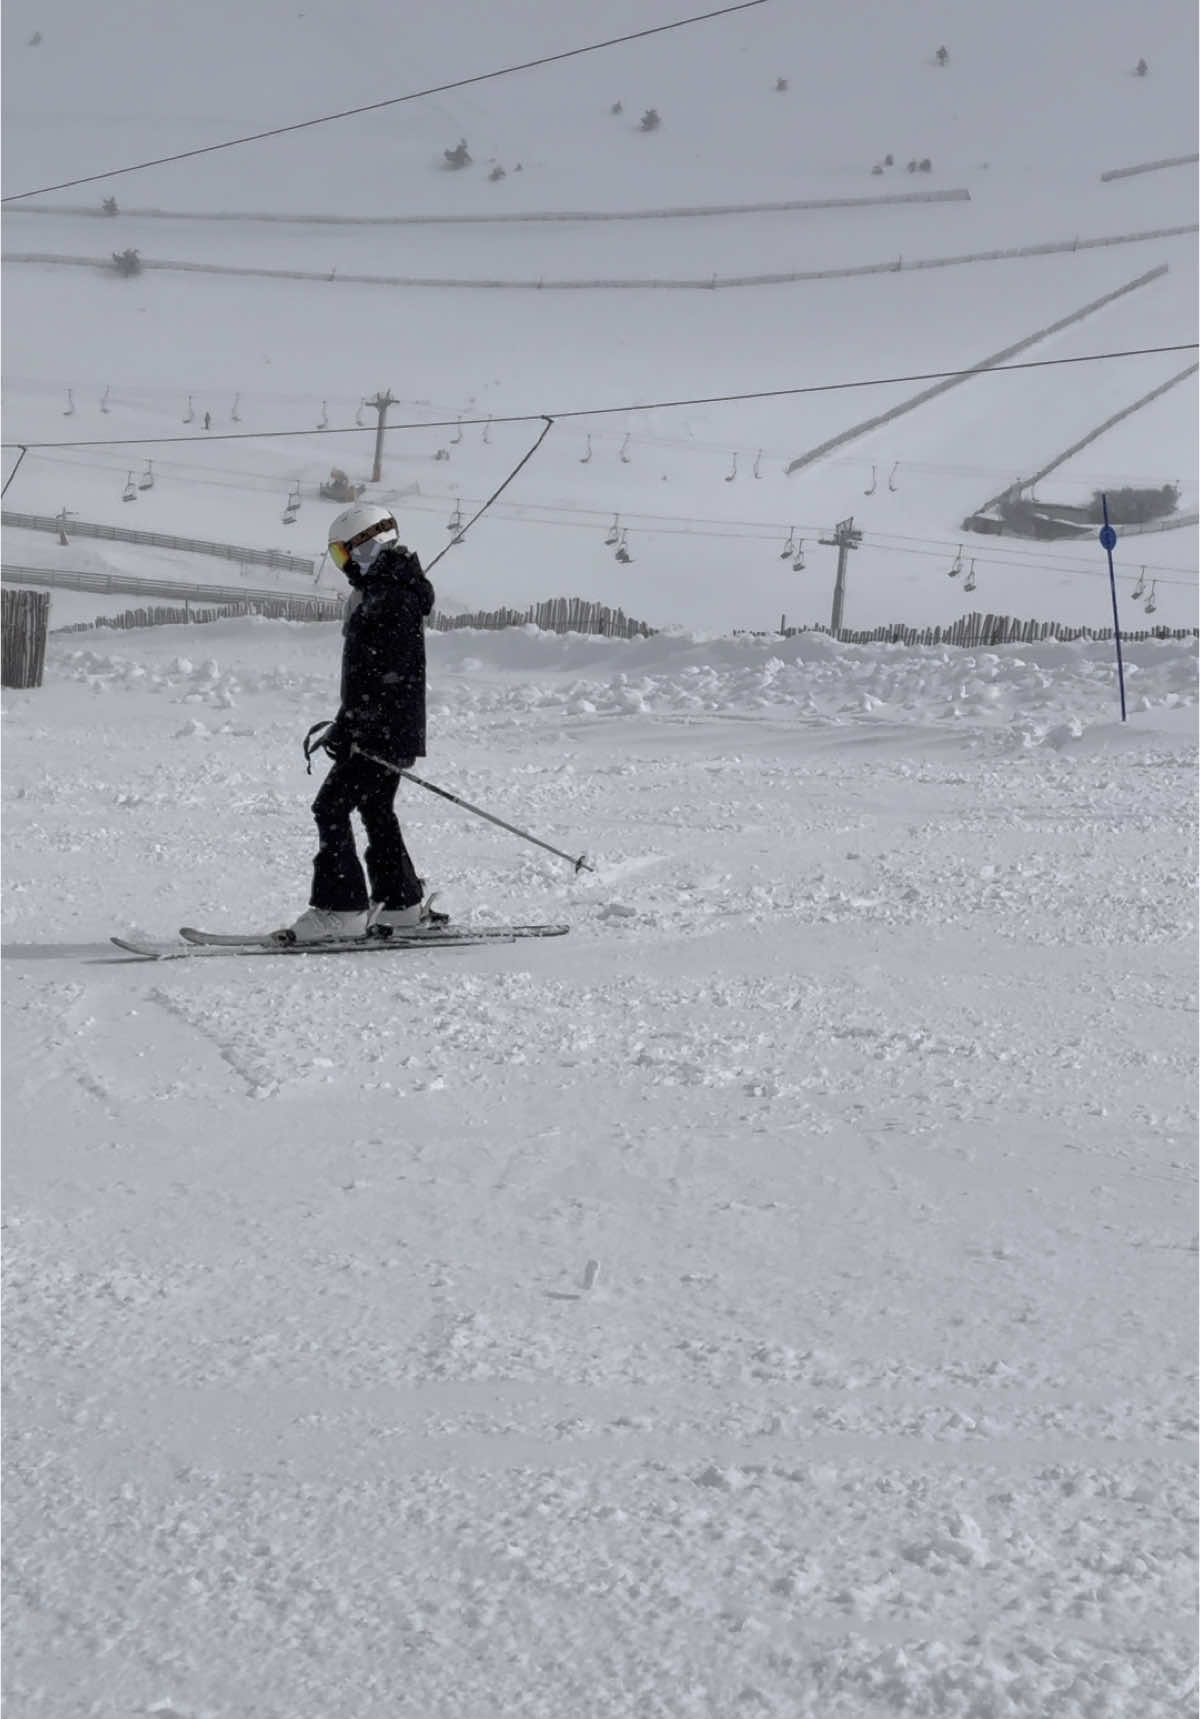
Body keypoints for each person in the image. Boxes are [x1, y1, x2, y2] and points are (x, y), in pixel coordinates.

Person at [279, 502, 436, 944]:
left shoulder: (392, 596)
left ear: (368, 542)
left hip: (381, 731)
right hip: (385, 729)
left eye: (345, 554)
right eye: (337, 557)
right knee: (375, 807)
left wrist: (350, 727)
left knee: (330, 807)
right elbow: (374, 678)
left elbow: (384, 677)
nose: (343, 565)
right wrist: (347, 724)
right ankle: (401, 903)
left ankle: (341, 908)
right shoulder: (384, 590)